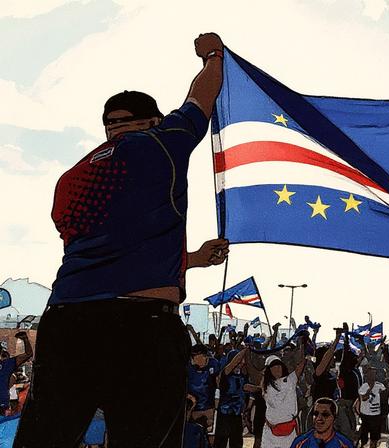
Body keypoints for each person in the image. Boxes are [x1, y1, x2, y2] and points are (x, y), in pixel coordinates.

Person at [15, 32, 228, 447]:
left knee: (45, 437)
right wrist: (213, 55)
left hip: (67, 319)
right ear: (152, 119)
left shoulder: (72, 179)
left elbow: (111, 254)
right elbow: (201, 98)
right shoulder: (162, 141)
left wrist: (193, 260)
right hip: (140, 328)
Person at [262, 341, 308, 448]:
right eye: (273, 366)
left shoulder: (290, 380)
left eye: (279, 365)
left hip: (289, 431)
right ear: (269, 370)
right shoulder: (265, 386)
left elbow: (301, 364)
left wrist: (301, 344)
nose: (277, 368)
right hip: (270, 432)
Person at [187, 344, 220, 433]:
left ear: (204, 356)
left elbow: (218, 385)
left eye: (195, 357)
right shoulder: (189, 367)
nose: (193, 360)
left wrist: (216, 407)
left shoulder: (214, 364)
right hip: (193, 409)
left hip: (209, 408)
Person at [0, 332, 32, 415]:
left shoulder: (7, 364)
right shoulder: (7, 364)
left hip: (3, 405)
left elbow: (28, 354)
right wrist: (25, 339)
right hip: (3, 404)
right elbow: (28, 354)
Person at [357, 366, 386, 448]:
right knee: (364, 436)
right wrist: (370, 389)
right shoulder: (364, 387)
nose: (372, 376)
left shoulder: (380, 385)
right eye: (370, 374)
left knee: (374, 437)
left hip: (376, 414)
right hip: (366, 415)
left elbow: (384, 395)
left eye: (373, 374)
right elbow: (364, 398)